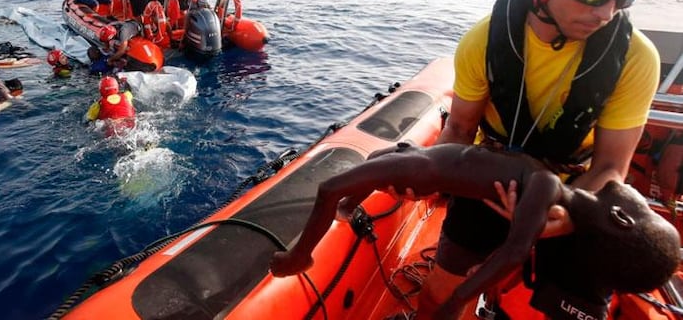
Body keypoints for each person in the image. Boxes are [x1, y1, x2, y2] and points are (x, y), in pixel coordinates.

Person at [411, 0, 664, 320]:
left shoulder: (637, 58)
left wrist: (567, 213)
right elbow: (458, 129)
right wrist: (420, 173)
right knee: (440, 296)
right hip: (491, 180)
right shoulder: (483, 41)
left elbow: (610, 167)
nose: (605, 12)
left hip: (578, 191)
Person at [269, 143, 680, 320]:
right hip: (429, 163)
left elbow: (515, 251)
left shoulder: (546, 187)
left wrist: (459, 297)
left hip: (428, 170)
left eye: (643, 208)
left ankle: (299, 256)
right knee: (379, 161)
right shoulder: (549, 190)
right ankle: (349, 205)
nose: (637, 195)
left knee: (329, 188)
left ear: (622, 220)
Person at [91, 21, 156, 72]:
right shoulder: (110, 27)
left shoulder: (123, 33)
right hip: (127, 25)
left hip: (138, 29)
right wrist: (107, 48)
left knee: (123, 48)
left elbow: (122, 51)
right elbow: (106, 41)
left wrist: (110, 59)